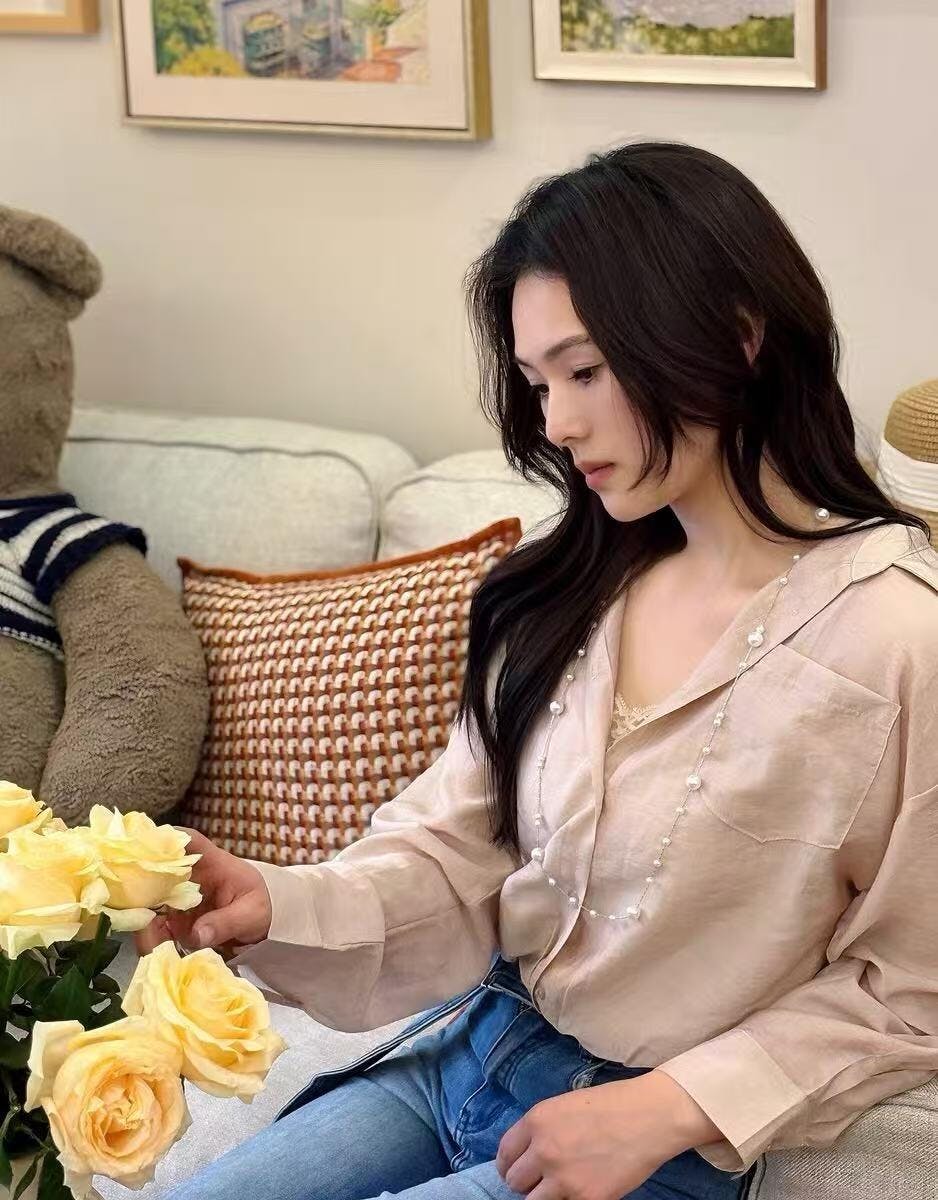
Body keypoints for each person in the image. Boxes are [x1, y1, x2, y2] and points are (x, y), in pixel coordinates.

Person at [146, 142, 938, 1200]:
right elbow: (454, 848)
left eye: (586, 371)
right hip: (465, 1057)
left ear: (738, 336)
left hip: (653, 1146)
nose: (558, 424)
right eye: (537, 384)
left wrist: (668, 1107)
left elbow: (913, 982)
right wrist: (271, 901)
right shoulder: (565, 591)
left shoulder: (895, 639)